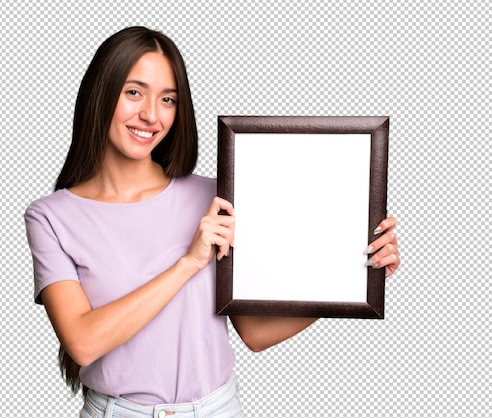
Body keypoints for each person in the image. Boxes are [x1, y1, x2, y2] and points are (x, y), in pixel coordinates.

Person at [24, 26, 400, 417]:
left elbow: (254, 334)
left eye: (167, 99)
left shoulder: (216, 197)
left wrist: (355, 278)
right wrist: (188, 262)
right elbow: (83, 342)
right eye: (134, 92)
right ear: (101, 95)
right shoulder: (51, 216)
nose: (151, 115)